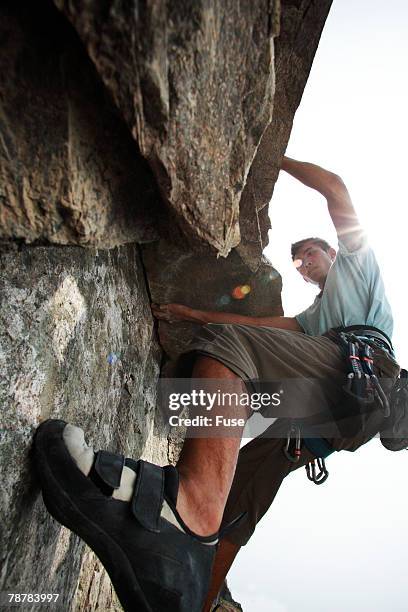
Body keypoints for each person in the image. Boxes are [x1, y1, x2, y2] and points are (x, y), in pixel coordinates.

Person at [34, 157, 400, 612]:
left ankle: (187, 510)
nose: (304, 264)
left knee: (230, 350)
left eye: (310, 253)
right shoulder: (313, 319)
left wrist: (270, 158)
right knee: (237, 497)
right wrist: (190, 315)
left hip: (362, 373)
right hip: (332, 417)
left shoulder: (357, 262)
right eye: (299, 262)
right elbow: (259, 323)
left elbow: (334, 187)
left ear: (331, 252)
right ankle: (197, 595)